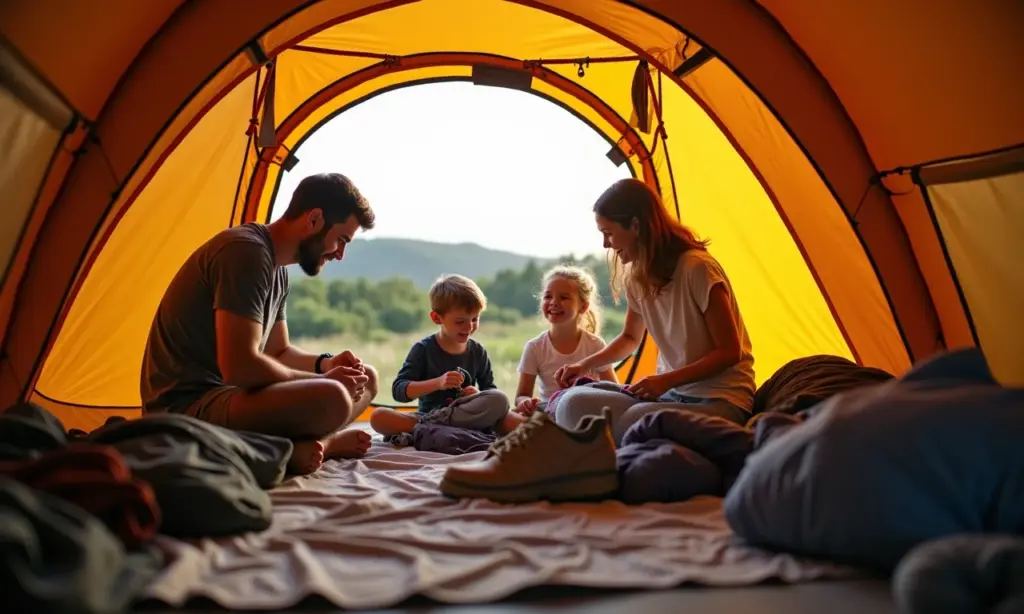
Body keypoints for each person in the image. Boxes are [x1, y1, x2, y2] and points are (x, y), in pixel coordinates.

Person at [140, 172, 380, 475]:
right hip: (184, 408)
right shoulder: (245, 252)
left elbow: (279, 352)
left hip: (227, 399)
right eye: (341, 240)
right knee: (332, 397)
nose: (340, 255)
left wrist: (326, 366)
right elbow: (240, 366)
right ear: (315, 219)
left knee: (367, 378)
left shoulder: (276, 269)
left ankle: (298, 447)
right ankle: (313, 445)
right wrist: (325, 384)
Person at [551, 178, 756, 443]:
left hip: (720, 398)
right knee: (573, 404)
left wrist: (665, 381)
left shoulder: (697, 269)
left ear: (635, 226)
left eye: (609, 233)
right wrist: (584, 364)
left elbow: (729, 351)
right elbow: (629, 339)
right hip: (672, 395)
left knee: (633, 423)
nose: (606, 244)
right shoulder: (637, 276)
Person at [369, 274, 521, 438]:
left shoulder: (478, 352)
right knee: (379, 417)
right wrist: (437, 383)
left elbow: (490, 391)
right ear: (437, 318)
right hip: (429, 416)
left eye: (475, 319)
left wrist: (477, 395)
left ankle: (430, 431)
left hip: (467, 416)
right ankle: (438, 428)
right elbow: (399, 391)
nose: (469, 327)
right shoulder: (423, 350)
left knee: (502, 403)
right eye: (460, 321)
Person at [513, 265, 618, 416]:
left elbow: (613, 389)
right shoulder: (535, 347)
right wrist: (525, 402)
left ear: (583, 306)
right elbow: (521, 396)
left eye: (564, 297)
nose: (554, 302)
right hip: (550, 414)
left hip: (587, 413)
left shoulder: (595, 345)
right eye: (548, 296)